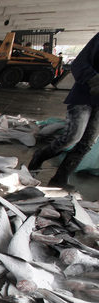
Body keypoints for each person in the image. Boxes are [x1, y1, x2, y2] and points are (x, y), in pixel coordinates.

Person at [27, 32, 99, 188]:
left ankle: (60, 178)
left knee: (87, 143)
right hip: (84, 95)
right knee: (73, 137)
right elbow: (78, 64)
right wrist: (94, 80)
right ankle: (40, 156)